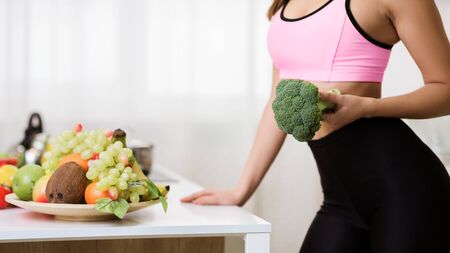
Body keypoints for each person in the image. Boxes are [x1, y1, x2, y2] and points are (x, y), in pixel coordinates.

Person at [182, 0, 450, 251]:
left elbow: (445, 89)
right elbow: (277, 100)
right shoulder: (285, 5)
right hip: (340, 199)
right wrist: (241, 190)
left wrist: (367, 107)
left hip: (407, 193)